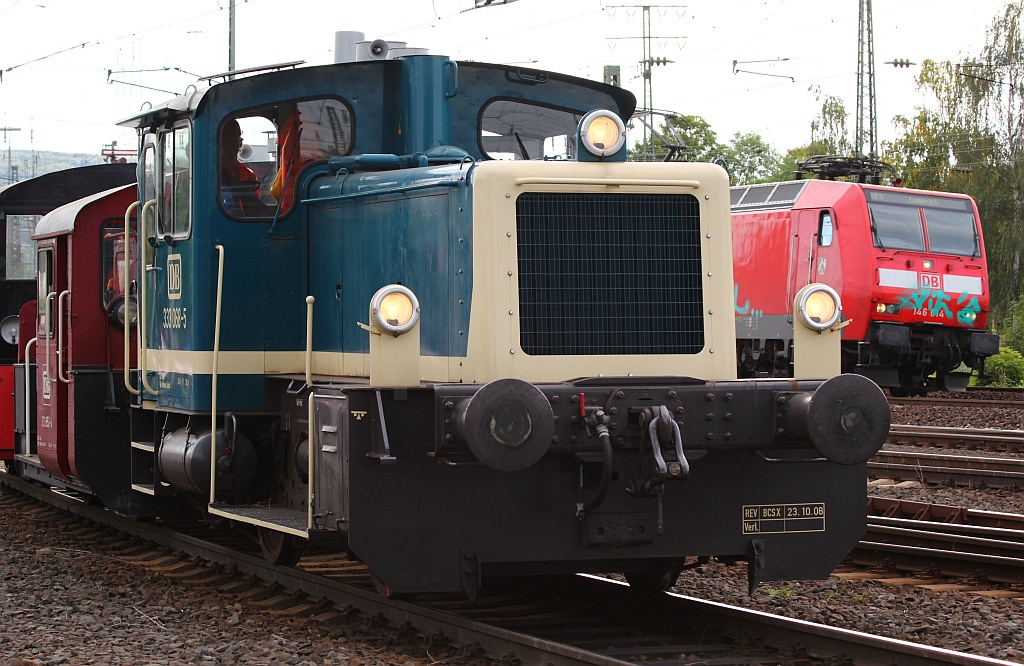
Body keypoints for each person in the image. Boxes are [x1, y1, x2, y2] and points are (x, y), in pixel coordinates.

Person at [219, 119, 263, 216]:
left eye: (233, 139)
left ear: (240, 143)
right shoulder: (211, 174)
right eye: (225, 139)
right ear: (218, 143)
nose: (230, 144)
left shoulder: (249, 175)